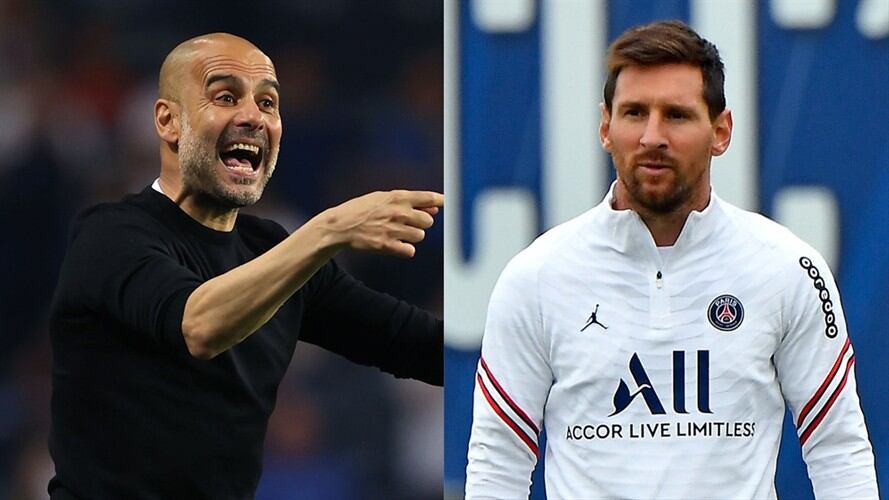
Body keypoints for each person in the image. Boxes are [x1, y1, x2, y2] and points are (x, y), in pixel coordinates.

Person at [465, 20, 877, 499]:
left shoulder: (786, 267)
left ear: (720, 131)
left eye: (676, 115)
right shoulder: (536, 276)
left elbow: (837, 448)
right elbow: (498, 458)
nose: (652, 136)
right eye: (635, 113)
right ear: (605, 127)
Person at [48, 33, 443, 499]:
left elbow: (420, 346)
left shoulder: (272, 252)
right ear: (168, 120)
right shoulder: (111, 235)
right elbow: (199, 325)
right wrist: (327, 231)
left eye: (269, 103)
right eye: (226, 96)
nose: (254, 117)